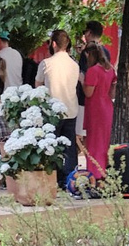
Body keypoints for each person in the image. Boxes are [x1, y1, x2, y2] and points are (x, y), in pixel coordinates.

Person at [76, 37, 116, 193]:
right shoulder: (110, 69)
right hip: (107, 106)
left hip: (95, 109)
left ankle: (95, 175)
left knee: (93, 144)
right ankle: (104, 173)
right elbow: (112, 89)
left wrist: (81, 80)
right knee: (103, 142)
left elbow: (89, 92)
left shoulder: (93, 71)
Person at [41, 35, 82, 188]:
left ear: (53, 44)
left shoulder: (46, 63)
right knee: (69, 146)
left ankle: (54, 178)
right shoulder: (74, 65)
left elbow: (38, 85)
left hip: (51, 111)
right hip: (70, 109)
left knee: (50, 145)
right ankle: (71, 179)